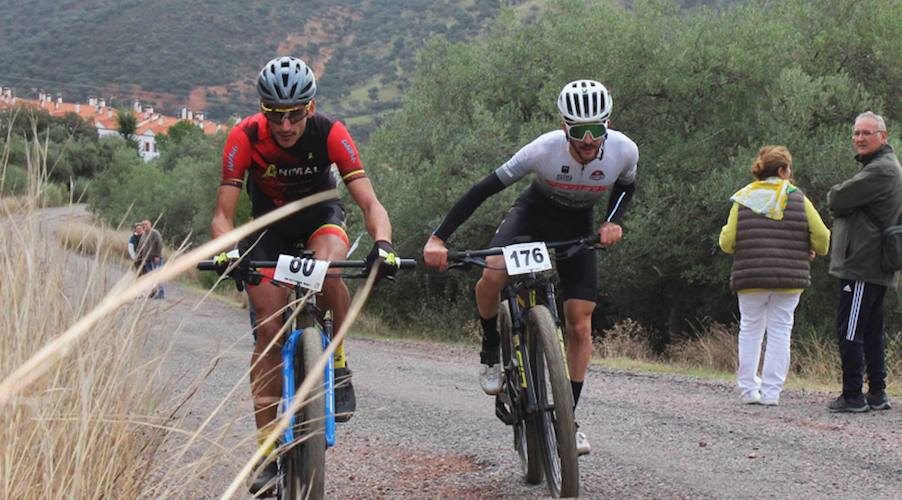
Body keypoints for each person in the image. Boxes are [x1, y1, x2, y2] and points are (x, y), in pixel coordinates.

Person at [210, 56, 400, 493]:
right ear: (263, 109)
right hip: (267, 231)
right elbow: (222, 216)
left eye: (296, 113)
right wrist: (227, 251)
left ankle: (337, 358)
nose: (287, 124)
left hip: (320, 220)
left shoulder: (330, 132)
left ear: (310, 108)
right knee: (267, 334)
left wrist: (384, 244)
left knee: (328, 268)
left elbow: (371, 204)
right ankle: (265, 452)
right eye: (276, 114)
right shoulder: (244, 136)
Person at [423, 80, 638, 456]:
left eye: (596, 130)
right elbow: (483, 189)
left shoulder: (624, 150)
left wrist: (612, 221)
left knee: (580, 323)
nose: (588, 141)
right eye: (578, 131)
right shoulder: (543, 150)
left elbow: (625, 188)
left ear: (609, 124)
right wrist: (439, 238)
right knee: (492, 272)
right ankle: (491, 346)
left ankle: (567, 419)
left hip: (578, 226)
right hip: (532, 215)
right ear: (562, 127)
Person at [719, 146, 830, 406]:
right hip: (789, 278)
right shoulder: (797, 197)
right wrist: (810, 248)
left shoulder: (743, 198)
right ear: (782, 171)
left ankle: (748, 390)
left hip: (751, 277)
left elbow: (727, 242)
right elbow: (823, 238)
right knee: (781, 330)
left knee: (750, 329)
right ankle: (772, 393)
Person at [826, 111, 902, 413]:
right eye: (856, 133)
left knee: (850, 328)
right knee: (871, 330)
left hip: (862, 263)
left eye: (867, 133)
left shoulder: (881, 170)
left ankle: (853, 395)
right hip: (872, 262)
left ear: (883, 136)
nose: (859, 138)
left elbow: (836, 199)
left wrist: (841, 201)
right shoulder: (883, 166)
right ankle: (877, 392)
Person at [141, 219, 165, 299]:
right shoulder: (144, 234)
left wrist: (157, 256)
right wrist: (143, 258)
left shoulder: (154, 233)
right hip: (147, 259)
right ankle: (152, 292)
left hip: (156, 258)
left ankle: (161, 293)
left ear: (150, 225)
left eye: (146, 224)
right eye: (143, 225)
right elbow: (143, 247)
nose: (144, 226)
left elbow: (160, 244)